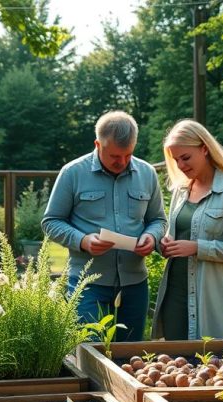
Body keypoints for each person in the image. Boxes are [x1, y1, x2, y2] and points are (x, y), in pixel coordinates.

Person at [42, 111, 167, 341]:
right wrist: (83, 241)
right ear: (97, 144)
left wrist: (152, 237)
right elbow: (51, 222)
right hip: (88, 283)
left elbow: (158, 220)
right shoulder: (72, 173)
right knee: (92, 356)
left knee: (131, 359)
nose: (122, 162)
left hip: (134, 285)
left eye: (128, 154)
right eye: (114, 156)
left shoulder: (147, 173)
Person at [151, 119, 223, 340]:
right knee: (175, 364)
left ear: (205, 149)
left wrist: (198, 248)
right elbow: (177, 233)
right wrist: (165, 243)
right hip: (174, 293)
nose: (181, 166)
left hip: (211, 297)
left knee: (211, 362)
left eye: (185, 157)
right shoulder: (180, 191)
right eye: (176, 160)